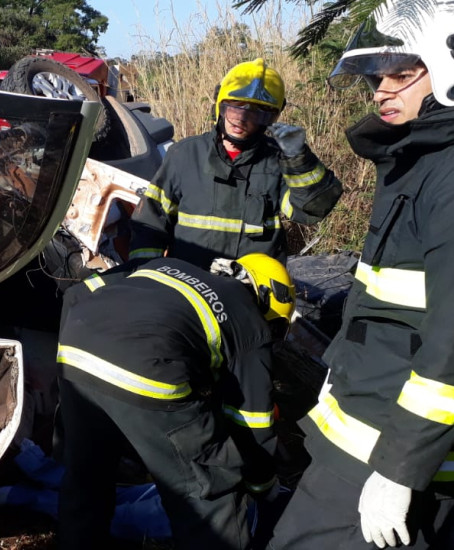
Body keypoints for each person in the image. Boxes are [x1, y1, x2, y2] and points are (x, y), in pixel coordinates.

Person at [267, 2, 454, 548]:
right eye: (376, 78)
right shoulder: (416, 159)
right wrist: (339, 362)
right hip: (366, 416)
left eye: (401, 74)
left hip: (387, 447)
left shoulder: (445, 173)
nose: (380, 91)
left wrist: (400, 468)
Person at [55, 253, 296, 549]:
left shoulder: (168, 266)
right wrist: (263, 485)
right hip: (149, 373)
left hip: (75, 350)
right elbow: (252, 422)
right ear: (267, 302)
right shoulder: (251, 322)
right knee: (206, 494)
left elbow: (79, 292)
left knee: (86, 477)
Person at [129, 58, 343, 269]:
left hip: (250, 291)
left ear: (273, 116)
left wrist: (299, 158)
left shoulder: (279, 160)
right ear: (219, 104)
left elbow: (310, 211)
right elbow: (150, 223)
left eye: (256, 113)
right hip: (190, 286)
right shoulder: (184, 155)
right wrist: (146, 274)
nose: (241, 119)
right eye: (235, 107)